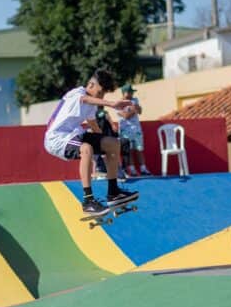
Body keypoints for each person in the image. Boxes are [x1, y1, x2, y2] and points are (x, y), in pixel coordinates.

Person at [44, 69, 138, 214]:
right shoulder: (76, 94)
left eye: (104, 94)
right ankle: (88, 201)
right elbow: (85, 99)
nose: (101, 96)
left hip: (74, 135)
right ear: (91, 85)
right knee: (86, 148)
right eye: (100, 92)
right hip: (56, 139)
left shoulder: (92, 105)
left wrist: (105, 147)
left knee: (112, 143)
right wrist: (111, 104)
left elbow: (94, 126)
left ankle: (113, 192)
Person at [117, 84, 151, 177]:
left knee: (139, 149)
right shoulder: (118, 103)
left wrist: (135, 108)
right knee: (130, 151)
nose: (132, 94)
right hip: (125, 131)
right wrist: (133, 109)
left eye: (132, 92)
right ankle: (132, 170)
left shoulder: (135, 101)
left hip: (136, 130)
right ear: (124, 93)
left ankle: (143, 169)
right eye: (130, 92)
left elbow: (140, 111)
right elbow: (125, 116)